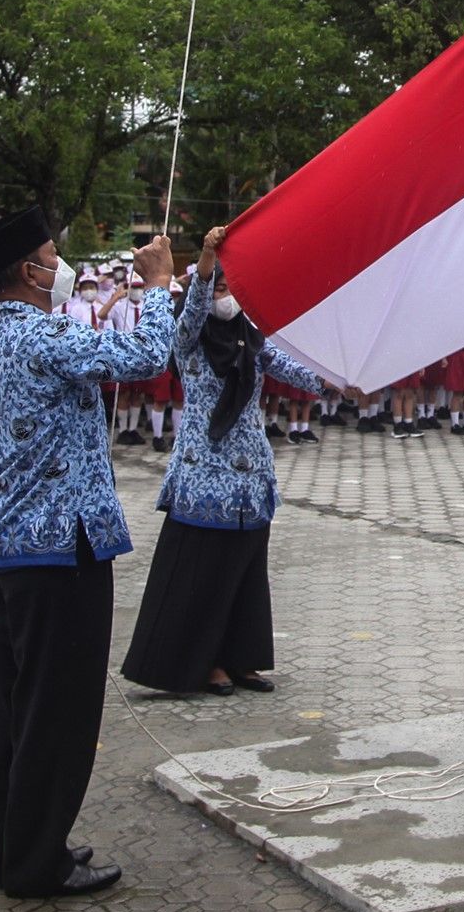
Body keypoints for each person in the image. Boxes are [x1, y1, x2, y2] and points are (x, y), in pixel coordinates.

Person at [0, 208, 177, 898]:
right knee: (57, 711)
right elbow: (145, 358)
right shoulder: (43, 332)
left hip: (14, 545)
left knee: (20, 709)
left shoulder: (6, 335)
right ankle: (34, 864)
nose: (64, 266)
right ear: (30, 272)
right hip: (57, 548)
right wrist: (159, 284)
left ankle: (25, 844)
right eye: (54, 255)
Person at [122, 228, 321, 697]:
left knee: (245, 571)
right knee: (203, 574)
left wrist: (342, 381)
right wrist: (207, 258)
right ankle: (204, 662)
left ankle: (242, 659)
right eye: (216, 286)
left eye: (231, 285)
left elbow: (297, 370)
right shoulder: (188, 339)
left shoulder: (252, 340)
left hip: (251, 476)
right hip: (203, 475)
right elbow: (191, 313)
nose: (223, 293)